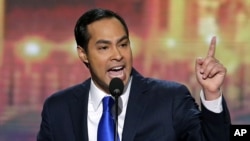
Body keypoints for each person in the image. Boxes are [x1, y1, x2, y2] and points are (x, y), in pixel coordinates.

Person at [37, 8, 231, 141]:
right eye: (104, 47)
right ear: (83, 54)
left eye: (123, 44)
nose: (118, 55)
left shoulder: (170, 99)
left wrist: (212, 94)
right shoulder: (58, 108)